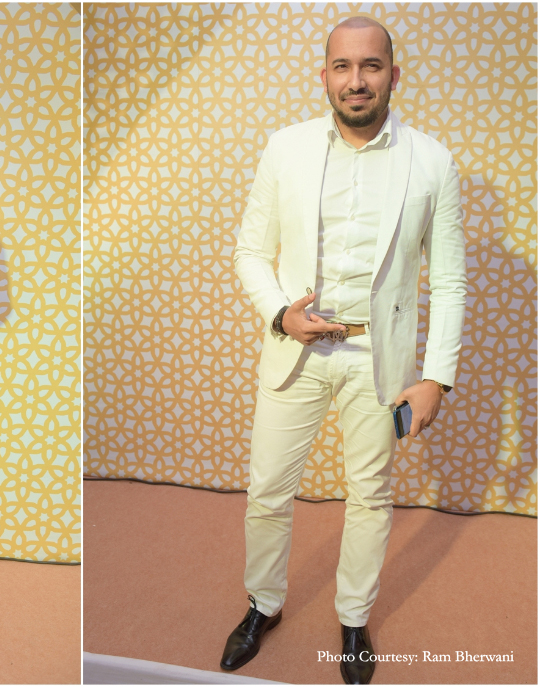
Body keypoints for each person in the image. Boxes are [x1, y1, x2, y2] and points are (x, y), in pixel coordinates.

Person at [222, 17, 466, 685]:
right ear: (325, 74)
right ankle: (263, 604)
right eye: (342, 66)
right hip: (295, 349)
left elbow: (448, 280)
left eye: (370, 66)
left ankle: (353, 618)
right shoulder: (285, 148)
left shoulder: (433, 161)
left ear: (393, 74)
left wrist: (436, 377)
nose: (356, 80)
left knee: (371, 495)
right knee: (268, 490)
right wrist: (280, 313)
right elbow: (249, 251)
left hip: (378, 361)